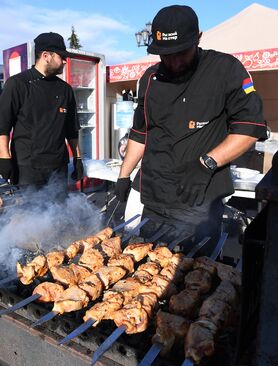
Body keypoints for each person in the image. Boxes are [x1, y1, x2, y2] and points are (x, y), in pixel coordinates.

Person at [114, 5, 267, 253]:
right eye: (165, 55)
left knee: (192, 279)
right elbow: (141, 133)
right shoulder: (149, 79)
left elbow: (249, 128)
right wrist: (123, 175)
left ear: (198, 37)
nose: (173, 62)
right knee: (146, 275)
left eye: (181, 52)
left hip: (199, 200)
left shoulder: (226, 70)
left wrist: (206, 163)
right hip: (154, 197)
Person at [0, 32, 84, 190]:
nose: (65, 61)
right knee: (29, 214)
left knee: (59, 213)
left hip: (58, 167)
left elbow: (72, 130)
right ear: (46, 55)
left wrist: (77, 159)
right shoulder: (18, 84)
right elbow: (2, 125)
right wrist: (5, 158)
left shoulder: (65, 89)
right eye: (61, 56)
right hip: (27, 168)